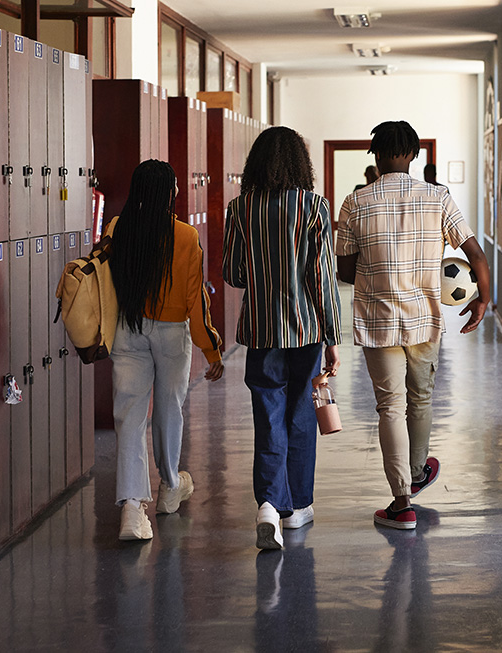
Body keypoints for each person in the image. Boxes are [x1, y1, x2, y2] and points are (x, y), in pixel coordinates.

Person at [335, 120, 491, 530]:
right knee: (420, 399)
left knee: (390, 407)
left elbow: (346, 272)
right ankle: (418, 470)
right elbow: (476, 253)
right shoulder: (438, 198)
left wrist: (380, 266)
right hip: (425, 321)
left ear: (375, 155)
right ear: (414, 155)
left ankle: (402, 501)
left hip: (378, 322)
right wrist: (484, 298)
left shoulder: (354, 203)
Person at [222, 126, 341, 550]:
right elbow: (323, 276)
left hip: (259, 331)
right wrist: (332, 334)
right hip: (306, 328)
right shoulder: (313, 206)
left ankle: (271, 505)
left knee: (267, 413)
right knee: (300, 414)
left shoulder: (240, 208)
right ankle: (298, 507)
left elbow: (233, 273)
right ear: (299, 163)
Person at [109, 159, 225, 541]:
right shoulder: (186, 236)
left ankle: (131, 508)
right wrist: (211, 349)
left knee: (129, 416)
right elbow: (196, 302)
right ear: (169, 192)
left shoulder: (117, 229)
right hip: (173, 333)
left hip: (128, 330)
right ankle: (169, 488)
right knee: (168, 409)